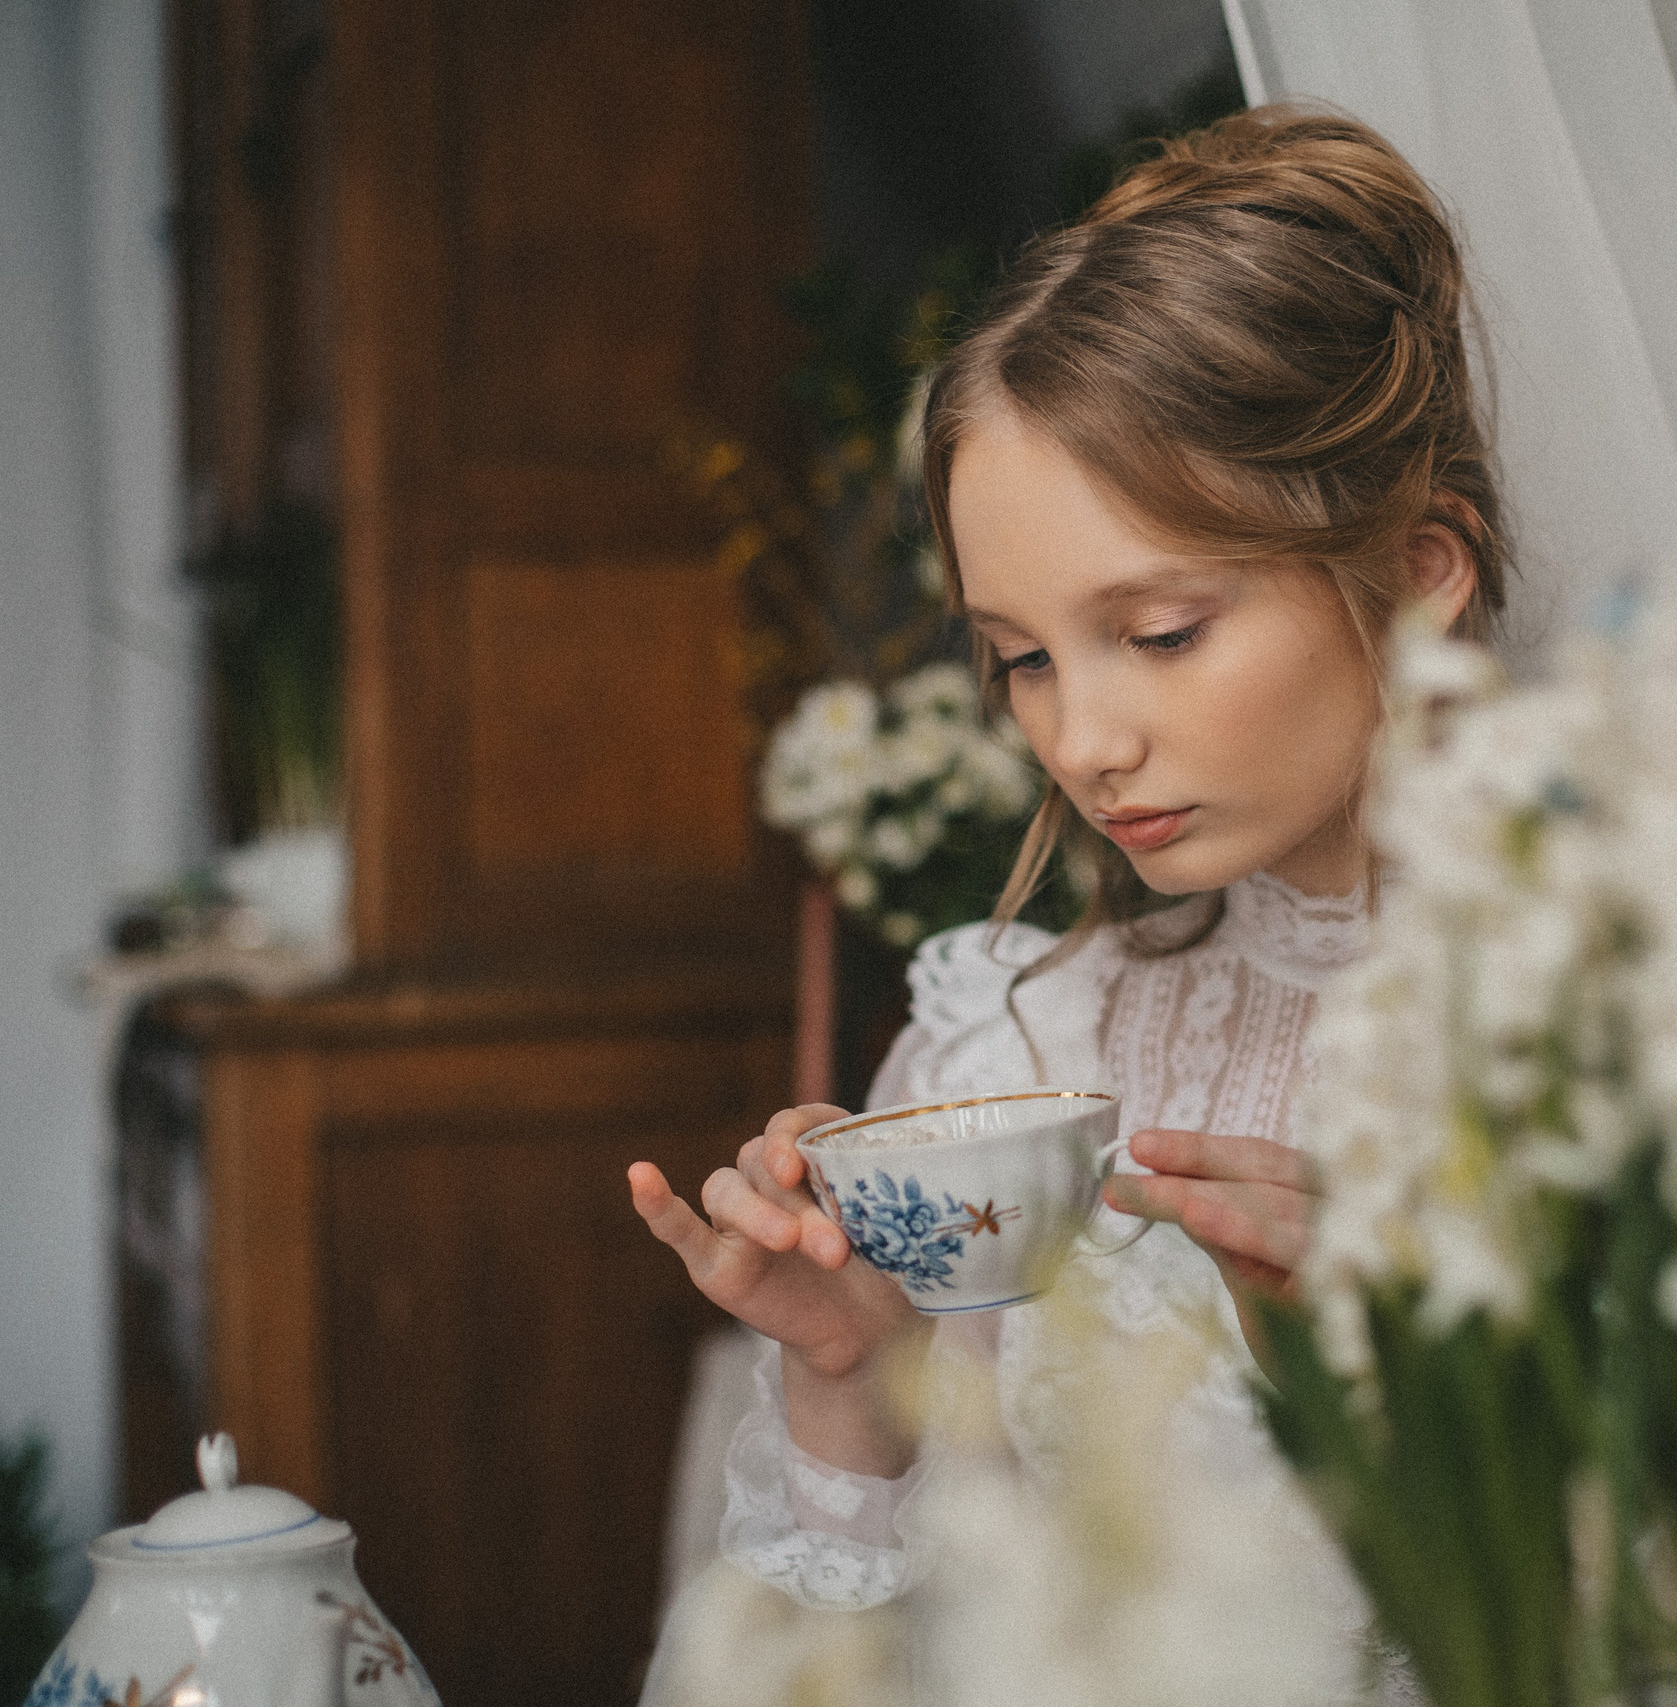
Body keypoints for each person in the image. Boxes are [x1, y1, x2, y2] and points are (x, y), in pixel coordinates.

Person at [627, 104, 1506, 1663]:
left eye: (1161, 632)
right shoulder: (1003, 1048)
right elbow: (884, 1652)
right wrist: (854, 1376)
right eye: (1019, 659)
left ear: (1422, 571)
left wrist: (1375, 1404)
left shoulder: (1609, 1046)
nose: (1080, 742)